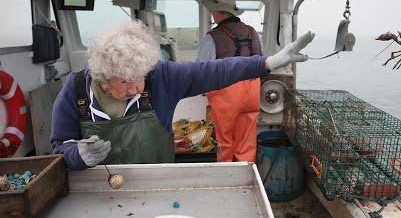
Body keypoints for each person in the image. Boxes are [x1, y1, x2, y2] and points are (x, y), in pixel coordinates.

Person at [50, 19, 315, 170]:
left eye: (138, 79)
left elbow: (212, 70)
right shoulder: (74, 93)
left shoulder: (159, 76)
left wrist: (266, 63)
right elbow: (60, 147)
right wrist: (78, 155)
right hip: (98, 190)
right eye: (124, 82)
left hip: (161, 183)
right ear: (103, 79)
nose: (135, 89)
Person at [196, 0, 265, 162]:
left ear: (220, 12)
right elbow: (264, 62)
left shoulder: (213, 37)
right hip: (252, 90)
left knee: (223, 140)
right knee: (246, 141)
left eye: (213, 11)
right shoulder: (253, 33)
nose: (212, 15)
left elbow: (200, 69)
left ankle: (225, 179)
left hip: (226, 93)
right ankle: (245, 176)